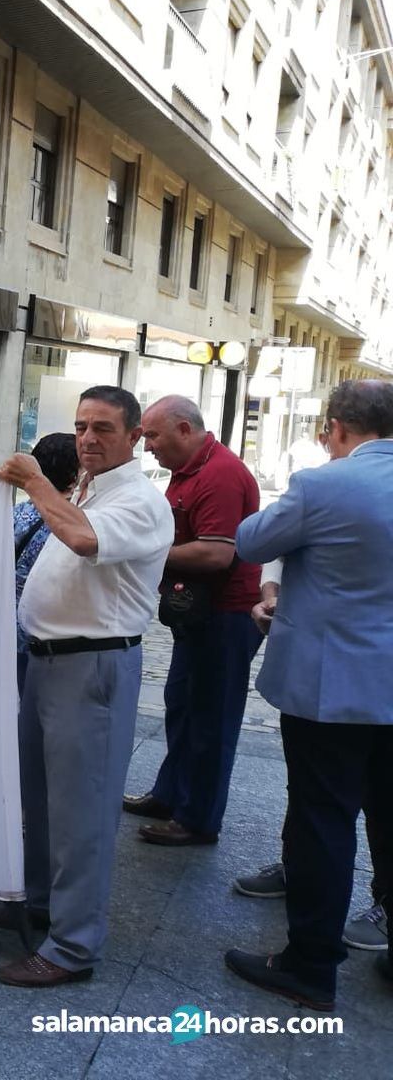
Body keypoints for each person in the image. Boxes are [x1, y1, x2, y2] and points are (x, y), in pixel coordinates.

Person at [0, 386, 173, 987]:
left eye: (103, 429)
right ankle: (43, 904)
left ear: (135, 437)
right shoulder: (92, 486)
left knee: (82, 810)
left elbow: (85, 540)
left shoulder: (140, 500)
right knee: (42, 798)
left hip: (90, 665)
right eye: (82, 427)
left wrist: (38, 482)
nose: (89, 439)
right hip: (48, 660)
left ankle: (71, 947)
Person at [224, 380, 393, 1011]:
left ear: (338, 427)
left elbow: (249, 542)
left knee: (322, 817)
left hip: (335, 686)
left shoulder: (327, 483)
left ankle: (310, 962)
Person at [233, 557, 392, 954]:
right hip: (329, 659)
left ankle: (386, 904)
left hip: (373, 660)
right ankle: (300, 872)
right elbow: (279, 548)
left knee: (380, 797)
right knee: (311, 788)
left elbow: (260, 536)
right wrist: (273, 594)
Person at [122, 397, 262, 848]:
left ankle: (198, 819)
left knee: (211, 718)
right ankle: (170, 795)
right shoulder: (190, 469)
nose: (148, 445)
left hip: (225, 617)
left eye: (153, 435)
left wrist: (144, 554)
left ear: (184, 429)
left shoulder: (220, 474)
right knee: (183, 705)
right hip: (200, 615)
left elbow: (217, 553)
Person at [13, 433, 79, 681]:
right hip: (47, 634)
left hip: (10, 629)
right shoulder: (72, 523)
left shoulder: (17, 513)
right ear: (74, 477)